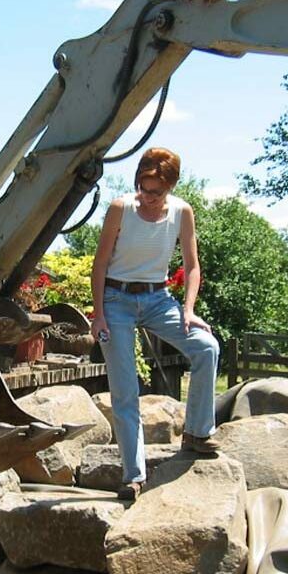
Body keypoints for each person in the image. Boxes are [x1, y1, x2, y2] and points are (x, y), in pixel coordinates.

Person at [89, 147, 221, 501]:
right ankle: (133, 475)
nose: (147, 197)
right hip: (116, 301)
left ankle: (197, 432)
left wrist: (189, 309)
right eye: (143, 189)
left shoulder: (182, 213)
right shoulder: (121, 209)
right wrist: (98, 313)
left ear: (171, 187)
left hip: (158, 299)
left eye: (156, 192)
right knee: (125, 388)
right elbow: (100, 264)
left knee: (207, 348)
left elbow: (192, 267)